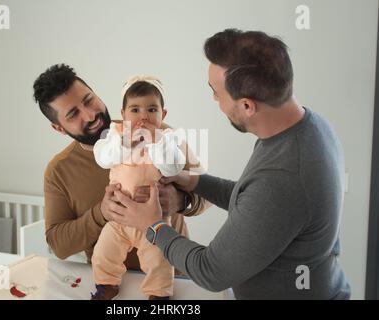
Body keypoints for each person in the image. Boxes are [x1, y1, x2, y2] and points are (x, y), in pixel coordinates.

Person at [106, 28, 352, 299]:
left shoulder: (284, 176)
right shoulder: (307, 126)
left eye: (216, 93)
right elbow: (253, 199)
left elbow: (210, 270)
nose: (214, 100)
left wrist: (153, 226)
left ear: (247, 106)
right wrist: (195, 181)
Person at [32, 65, 208, 278]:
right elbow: (58, 245)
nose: (90, 115)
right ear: (59, 128)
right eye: (73, 114)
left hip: (173, 277)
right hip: (109, 285)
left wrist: (180, 201)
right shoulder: (58, 171)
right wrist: (102, 214)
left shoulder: (160, 134)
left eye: (89, 100)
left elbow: (208, 194)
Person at [91, 75, 186, 300]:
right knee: (103, 252)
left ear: (163, 115)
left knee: (159, 259)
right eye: (135, 110)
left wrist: (157, 141)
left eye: (152, 109)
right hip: (119, 219)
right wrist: (123, 142)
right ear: (123, 114)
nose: (143, 116)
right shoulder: (115, 136)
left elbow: (173, 167)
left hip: (153, 219)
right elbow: (102, 158)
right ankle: (106, 284)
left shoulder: (167, 138)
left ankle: (158, 293)